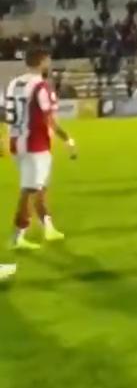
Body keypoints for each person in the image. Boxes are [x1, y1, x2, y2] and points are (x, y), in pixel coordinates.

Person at [4, 48, 77, 250]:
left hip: (17, 141)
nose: (49, 64)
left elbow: (6, 113)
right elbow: (49, 118)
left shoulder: (13, 83)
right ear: (42, 62)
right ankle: (17, 236)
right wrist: (66, 138)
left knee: (39, 186)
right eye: (48, 60)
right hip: (35, 143)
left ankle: (48, 227)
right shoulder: (41, 86)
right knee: (30, 189)